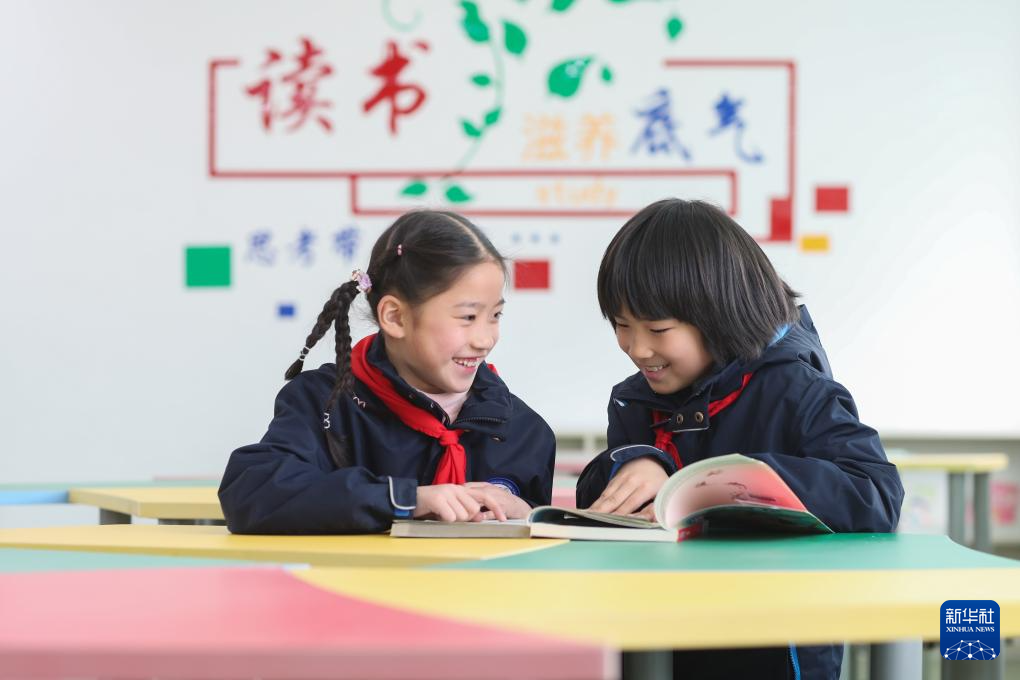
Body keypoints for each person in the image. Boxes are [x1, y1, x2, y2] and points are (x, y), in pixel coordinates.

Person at [576, 198, 904, 680]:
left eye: (658, 329)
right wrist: (633, 461)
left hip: (774, 650)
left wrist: (740, 480)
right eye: (622, 326)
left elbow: (874, 494)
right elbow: (601, 508)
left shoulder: (797, 391)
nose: (637, 348)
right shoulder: (635, 400)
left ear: (719, 316)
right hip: (660, 640)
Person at [220, 210, 554, 534]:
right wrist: (404, 499)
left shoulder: (524, 432)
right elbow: (253, 491)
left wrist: (528, 513)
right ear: (395, 317)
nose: (485, 339)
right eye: (468, 317)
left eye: (495, 316)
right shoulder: (326, 403)